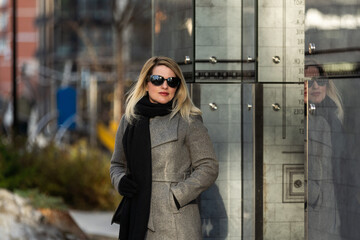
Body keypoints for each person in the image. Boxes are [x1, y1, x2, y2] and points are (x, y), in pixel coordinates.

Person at [110, 56, 219, 240]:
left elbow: (209, 167)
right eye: (158, 80)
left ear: (178, 86)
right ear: (146, 84)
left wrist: (176, 196)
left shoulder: (188, 120)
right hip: (136, 216)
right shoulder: (129, 121)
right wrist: (121, 181)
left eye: (172, 81)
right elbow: (116, 165)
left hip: (175, 222)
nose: (165, 86)